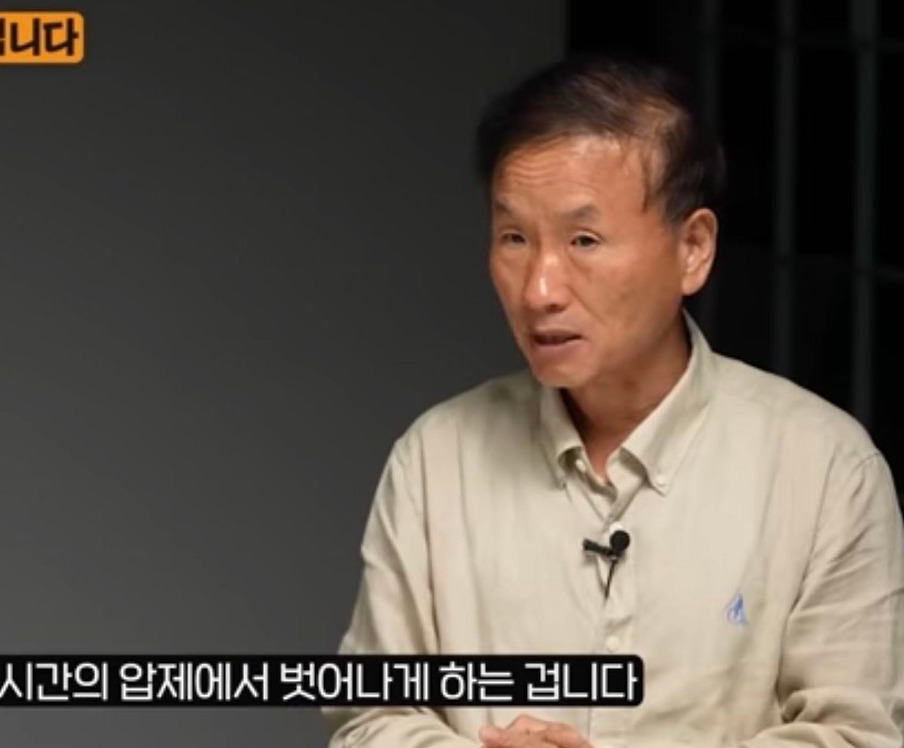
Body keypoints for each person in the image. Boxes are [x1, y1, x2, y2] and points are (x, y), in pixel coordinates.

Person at [321, 54, 904, 748]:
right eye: (514, 238)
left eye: (584, 240)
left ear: (693, 249)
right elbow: (367, 715)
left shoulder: (824, 468)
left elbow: (856, 735)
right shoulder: (436, 459)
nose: (540, 289)